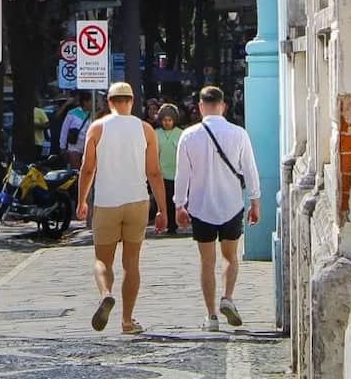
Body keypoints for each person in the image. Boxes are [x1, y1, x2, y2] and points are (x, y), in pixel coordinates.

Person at [76, 81, 167, 335]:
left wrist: (82, 200)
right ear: (132, 101)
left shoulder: (97, 128)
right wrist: (162, 209)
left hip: (106, 201)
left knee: (102, 260)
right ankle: (127, 321)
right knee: (132, 263)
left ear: (109, 102)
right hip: (137, 200)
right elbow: (154, 172)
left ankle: (106, 294)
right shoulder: (145, 129)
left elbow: (87, 168)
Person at [173, 85, 261, 331]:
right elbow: (250, 169)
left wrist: (179, 204)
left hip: (201, 207)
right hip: (231, 205)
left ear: (200, 107)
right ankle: (228, 297)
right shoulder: (238, 133)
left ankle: (211, 316)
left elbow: (182, 175)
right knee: (230, 257)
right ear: (223, 106)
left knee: (206, 262)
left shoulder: (189, 136)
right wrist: (255, 200)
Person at [155, 104, 183, 235]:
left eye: (170, 120)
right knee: (164, 201)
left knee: (175, 199)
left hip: (177, 173)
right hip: (161, 174)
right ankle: (166, 224)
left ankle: (175, 224)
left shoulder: (181, 134)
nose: (167, 123)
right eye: (164, 120)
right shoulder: (156, 134)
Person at [59, 92, 92, 168]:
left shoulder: (93, 114)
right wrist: (62, 147)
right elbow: (64, 131)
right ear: (85, 102)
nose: (94, 103)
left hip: (87, 148)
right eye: (91, 101)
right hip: (74, 147)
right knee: (76, 171)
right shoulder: (72, 113)